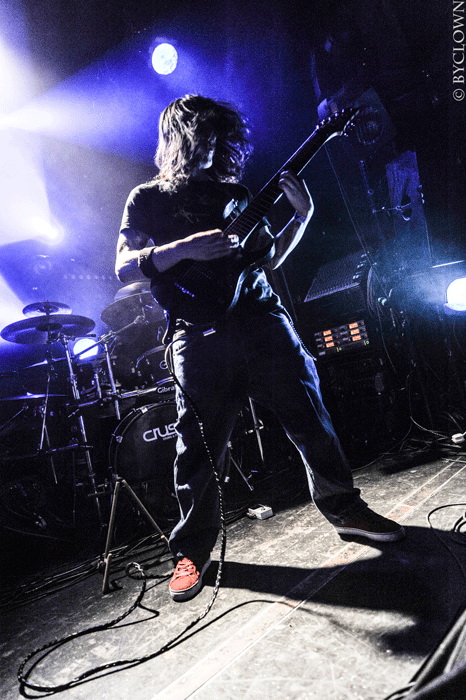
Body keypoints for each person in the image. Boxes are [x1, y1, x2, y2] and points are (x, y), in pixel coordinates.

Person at [115, 94, 404, 602]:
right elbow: (123, 266)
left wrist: (302, 217)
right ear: (181, 136)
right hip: (197, 336)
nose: (214, 144)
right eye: (205, 134)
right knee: (199, 447)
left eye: (219, 135)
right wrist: (184, 248)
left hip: (262, 321)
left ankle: (346, 509)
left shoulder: (238, 194)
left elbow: (268, 260)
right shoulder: (147, 198)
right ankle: (192, 551)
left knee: (310, 418)